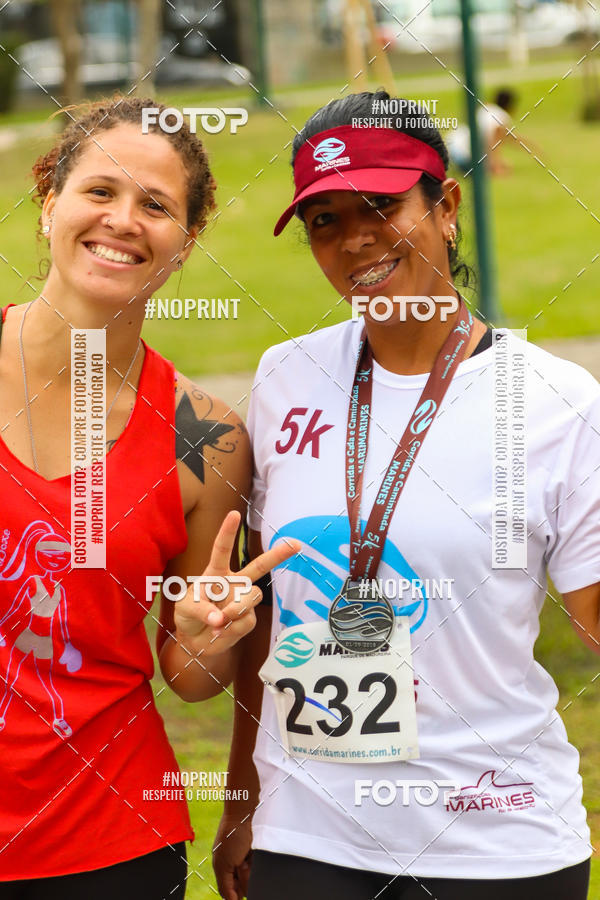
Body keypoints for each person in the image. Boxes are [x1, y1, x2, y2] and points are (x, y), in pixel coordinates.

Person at [212, 91, 599, 900]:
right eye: (324, 220)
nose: (354, 239)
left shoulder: (556, 402)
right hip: (307, 842)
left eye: (380, 205)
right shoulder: (286, 377)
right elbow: (266, 622)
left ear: (446, 205)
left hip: (495, 846)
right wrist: (242, 807)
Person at [0, 96, 296, 898]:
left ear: (186, 241)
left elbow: (193, 678)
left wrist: (210, 631)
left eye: (156, 205)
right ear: (48, 198)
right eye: (100, 191)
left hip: (107, 844)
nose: (124, 220)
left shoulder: (206, 437)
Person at [447, 88, 530, 175]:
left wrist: (530, 146)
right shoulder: (502, 116)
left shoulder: (487, 108)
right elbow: (493, 144)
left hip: (449, 149)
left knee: (499, 164)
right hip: (462, 156)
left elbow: (509, 137)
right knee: (493, 167)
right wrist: (497, 168)